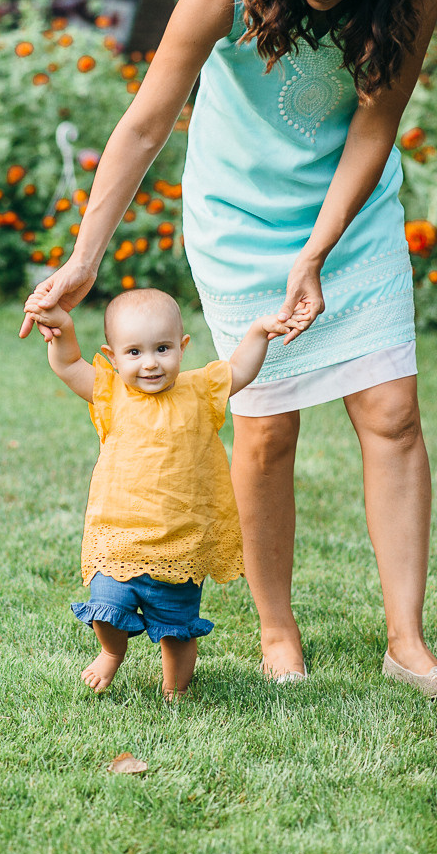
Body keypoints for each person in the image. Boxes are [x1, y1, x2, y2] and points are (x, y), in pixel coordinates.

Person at [20, 0, 437, 699]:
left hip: (348, 214)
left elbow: (374, 126)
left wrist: (317, 251)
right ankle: (276, 630)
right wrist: (84, 256)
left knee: (392, 413)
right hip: (237, 222)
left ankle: (407, 643)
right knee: (265, 429)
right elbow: (147, 120)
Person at [23, 286, 299, 698]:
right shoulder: (111, 392)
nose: (150, 363)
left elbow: (240, 370)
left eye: (163, 349)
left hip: (181, 542)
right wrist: (63, 327)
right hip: (119, 539)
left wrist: (259, 331)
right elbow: (67, 365)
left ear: (182, 348)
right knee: (107, 610)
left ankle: (176, 690)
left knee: (177, 630)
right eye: (134, 352)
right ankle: (111, 652)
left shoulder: (200, 390)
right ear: (113, 357)